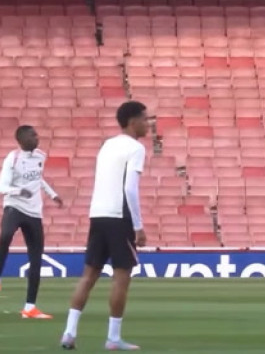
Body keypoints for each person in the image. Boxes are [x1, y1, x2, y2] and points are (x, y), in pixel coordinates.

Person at [61, 101, 149, 351]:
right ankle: (113, 337)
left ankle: (69, 333)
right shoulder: (135, 148)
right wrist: (138, 226)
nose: (148, 124)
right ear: (133, 122)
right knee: (121, 277)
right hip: (118, 217)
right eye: (145, 119)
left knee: (89, 275)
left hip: (97, 214)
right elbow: (130, 188)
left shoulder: (107, 145)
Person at [0, 125, 63, 320]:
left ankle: (30, 307)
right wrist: (20, 191)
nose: (36, 137)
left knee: (36, 259)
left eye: (36, 134)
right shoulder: (13, 158)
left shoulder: (41, 156)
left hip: (34, 212)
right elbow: (2, 187)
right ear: (21, 140)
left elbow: (38, 179)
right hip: (14, 206)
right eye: (32, 135)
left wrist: (53, 195)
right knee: (6, 235)